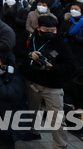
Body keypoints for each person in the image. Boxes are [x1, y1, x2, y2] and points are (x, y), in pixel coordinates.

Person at [13, 15, 75, 148]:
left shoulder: (60, 43)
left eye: (53, 30)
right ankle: (33, 131)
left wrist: (51, 67)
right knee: (31, 110)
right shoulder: (29, 37)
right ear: (38, 28)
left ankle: (60, 145)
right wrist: (29, 54)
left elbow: (70, 66)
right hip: (31, 81)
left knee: (57, 118)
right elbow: (16, 50)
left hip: (52, 86)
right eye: (47, 30)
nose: (50, 33)